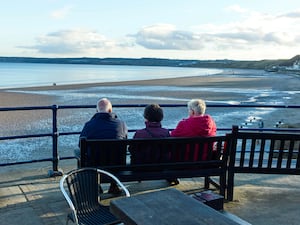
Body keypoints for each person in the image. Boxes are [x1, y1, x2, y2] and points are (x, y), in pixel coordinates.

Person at [76, 98, 128, 194]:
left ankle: (96, 185)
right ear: (110, 110)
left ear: (97, 111)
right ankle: (114, 186)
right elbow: (125, 142)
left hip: (94, 167)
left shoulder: (89, 125)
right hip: (117, 166)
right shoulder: (121, 124)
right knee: (113, 152)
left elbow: (80, 145)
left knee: (79, 152)